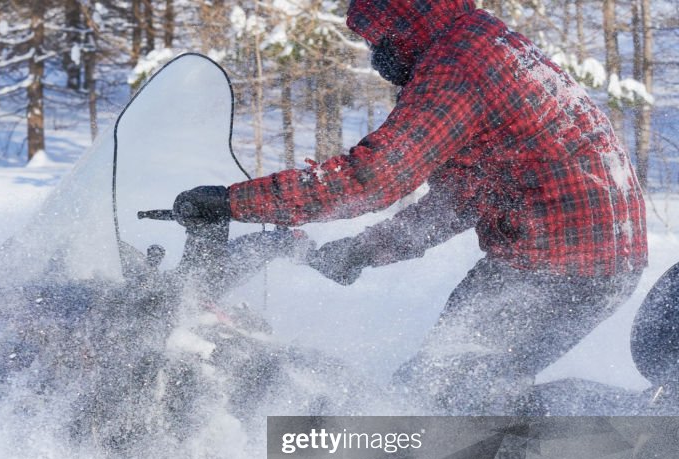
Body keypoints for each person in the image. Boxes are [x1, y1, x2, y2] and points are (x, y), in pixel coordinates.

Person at [172, 0, 648, 414]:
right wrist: (364, 251)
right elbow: (463, 198)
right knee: (458, 386)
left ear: (402, 22)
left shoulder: (458, 64)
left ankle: (594, 454)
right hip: (593, 261)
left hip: (557, 265)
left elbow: (375, 176)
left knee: (434, 397)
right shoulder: (484, 42)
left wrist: (234, 202)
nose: (375, 54)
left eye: (378, 38)